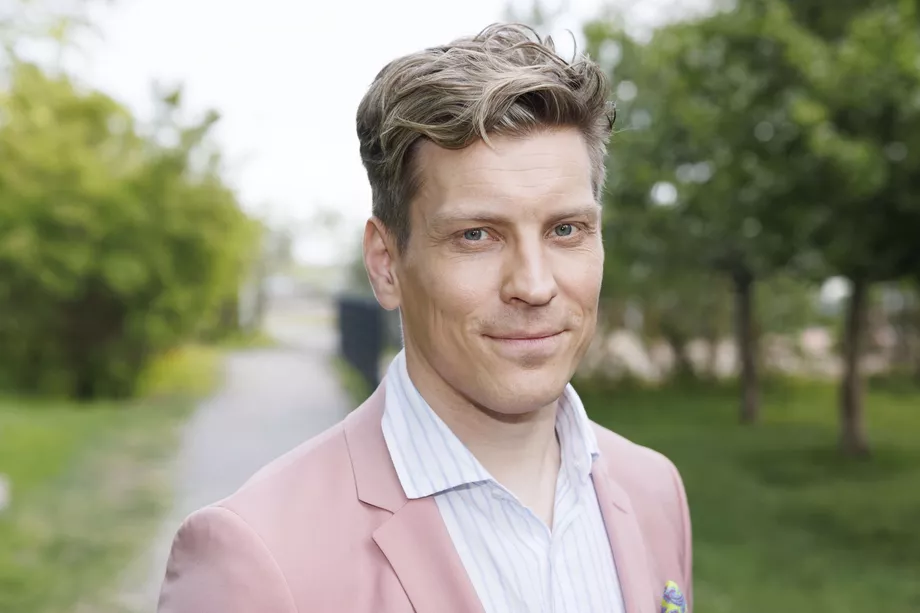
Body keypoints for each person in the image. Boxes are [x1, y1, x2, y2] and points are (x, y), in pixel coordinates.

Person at [157, 23, 692, 613]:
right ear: (386, 264)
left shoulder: (655, 491)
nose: (534, 285)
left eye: (565, 229)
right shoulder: (257, 557)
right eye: (476, 235)